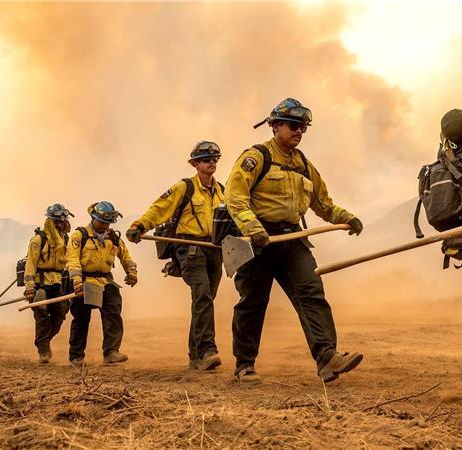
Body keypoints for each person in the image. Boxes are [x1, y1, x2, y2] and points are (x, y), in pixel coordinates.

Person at [224, 98, 364, 383]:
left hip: (292, 240)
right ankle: (244, 364)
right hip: (257, 242)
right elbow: (234, 197)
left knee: (312, 293)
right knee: (252, 302)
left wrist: (346, 217)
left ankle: (327, 358)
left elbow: (323, 204)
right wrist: (253, 228)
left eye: (303, 127)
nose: (299, 131)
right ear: (275, 126)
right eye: (293, 125)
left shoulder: (303, 165)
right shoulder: (256, 157)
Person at [126, 141, 226, 371]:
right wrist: (139, 225)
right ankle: (207, 350)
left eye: (214, 159)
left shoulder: (222, 190)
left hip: (215, 249)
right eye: (206, 159)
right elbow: (160, 208)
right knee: (202, 294)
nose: (211, 162)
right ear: (195, 164)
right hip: (189, 248)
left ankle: (195, 355)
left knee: (206, 299)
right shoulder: (184, 187)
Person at [66, 201, 138, 367]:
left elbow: (125, 256)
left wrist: (131, 272)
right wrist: (76, 280)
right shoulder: (79, 236)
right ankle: (76, 356)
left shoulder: (113, 237)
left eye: (108, 223)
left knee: (113, 312)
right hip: (86, 281)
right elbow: (73, 259)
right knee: (82, 319)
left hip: (106, 281)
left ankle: (111, 352)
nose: (105, 225)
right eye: (102, 222)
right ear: (93, 218)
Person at [23, 203, 74, 363]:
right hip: (40, 285)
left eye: (61, 221)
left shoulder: (66, 240)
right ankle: (43, 350)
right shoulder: (38, 240)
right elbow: (30, 265)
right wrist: (29, 288)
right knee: (42, 316)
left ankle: (43, 341)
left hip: (59, 283)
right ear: (50, 221)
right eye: (56, 221)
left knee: (60, 314)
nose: (59, 224)